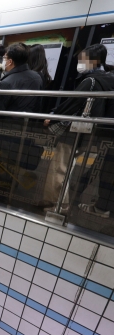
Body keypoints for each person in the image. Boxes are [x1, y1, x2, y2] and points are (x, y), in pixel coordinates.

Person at [45, 44, 114, 216]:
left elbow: (73, 103)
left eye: (83, 60)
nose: (80, 63)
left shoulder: (89, 81)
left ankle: (59, 205)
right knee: (70, 167)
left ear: (95, 61)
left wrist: (52, 117)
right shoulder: (109, 78)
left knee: (60, 167)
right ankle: (58, 201)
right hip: (94, 132)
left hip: (75, 131)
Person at [0, 43, 43, 112]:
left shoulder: (6, 83)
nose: (4, 61)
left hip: (7, 121)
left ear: (10, 62)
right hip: (29, 121)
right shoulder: (37, 77)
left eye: (5, 58)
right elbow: (38, 104)